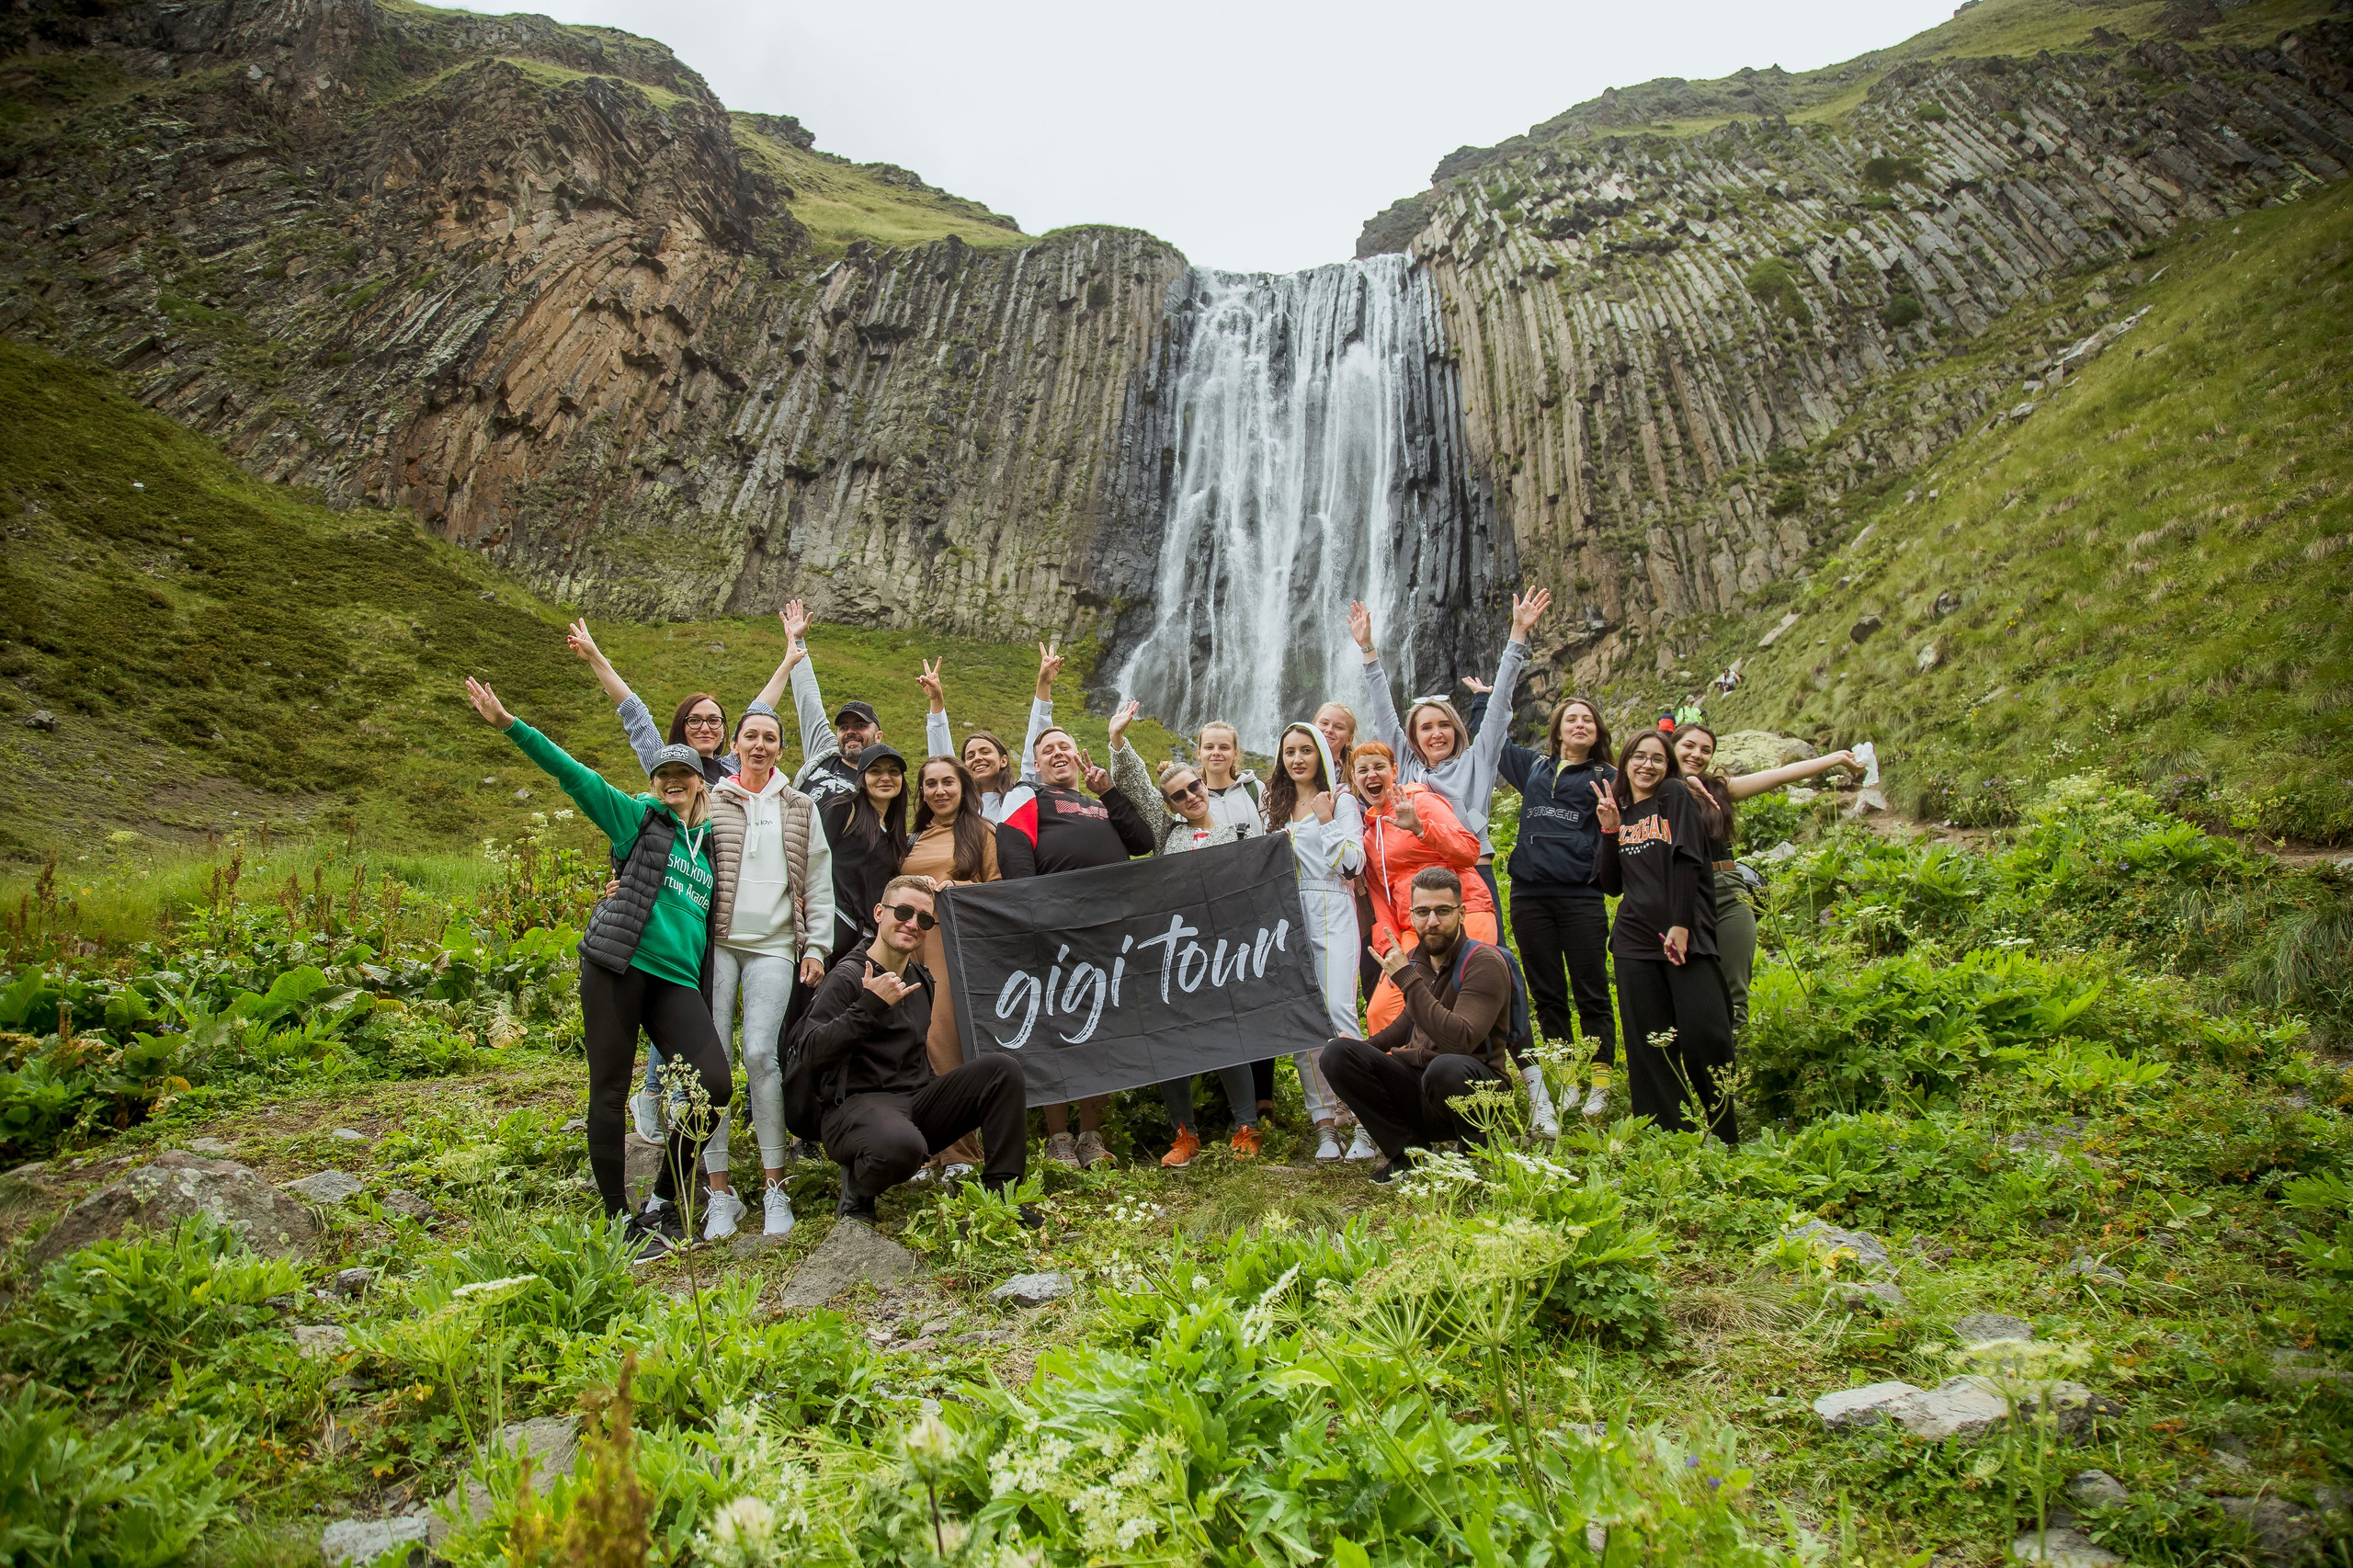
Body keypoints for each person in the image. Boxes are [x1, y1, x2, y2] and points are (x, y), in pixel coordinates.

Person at [461, 676, 731, 1258]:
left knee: (714, 1083)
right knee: (608, 1091)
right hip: (619, 964)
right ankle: (618, 1220)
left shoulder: (707, 844)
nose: (674, 784)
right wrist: (511, 725)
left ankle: (667, 1195)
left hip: (675, 980)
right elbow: (575, 775)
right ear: (655, 784)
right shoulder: (636, 819)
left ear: (700, 783)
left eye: (684, 777)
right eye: (664, 777)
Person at [794, 878, 1032, 1223]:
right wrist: (869, 1005)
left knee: (1002, 1071)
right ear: (879, 913)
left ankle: (1003, 1197)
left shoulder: (921, 980)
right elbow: (810, 1053)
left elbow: (912, 1054)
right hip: (853, 1108)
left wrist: (947, 1100)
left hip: (912, 1101)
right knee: (901, 1146)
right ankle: (858, 1193)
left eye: (923, 919)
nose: (912, 924)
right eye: (903, 912)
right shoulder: (846, 976)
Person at [1105, 702, 1262, 1166]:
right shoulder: (1165, 830)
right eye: (1178, 795)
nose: (1191, 796)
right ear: (1169, 803)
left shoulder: (1238, 832)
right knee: (1171, 1038)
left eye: (1194, 786)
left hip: (1223, 951)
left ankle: (1246, 1126)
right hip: (1172, 951)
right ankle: (1184, 1134)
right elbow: (1134, 783)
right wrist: (1118, 741)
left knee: (1227, 1034)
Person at [699, 701, 833, 1240]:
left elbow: (820, 881)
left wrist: (817, 947)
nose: (759, 745)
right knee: (712, 1060)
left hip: (777, 943)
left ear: (782, 749)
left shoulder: (801, 807)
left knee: (760, 1052)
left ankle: (775, 1186)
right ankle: (719, 1191)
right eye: (750, 736)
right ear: (734, 745)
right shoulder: (710, 801)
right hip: (717, 944)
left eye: (770, 738)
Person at [995, 726, 1156, 1166]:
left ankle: (1091, 1135)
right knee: (1055, 1031)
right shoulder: (1029, 796)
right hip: (1054, 933)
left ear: (1077, 754)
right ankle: (1058, 1137)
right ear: (1038, 764)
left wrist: (1109, 792)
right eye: (1047, 750)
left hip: (1106, 934)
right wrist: (1033, 917)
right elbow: (1013, 855)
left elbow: (1142, 843)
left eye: (1064, 745)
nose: (1058, 753)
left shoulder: (1100, 800)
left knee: (1097, 1031)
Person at [1465, 686, 1619, 1120]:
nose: (1579, 725)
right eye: (1571, 719)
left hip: (1581, 895)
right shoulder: (1533, 767)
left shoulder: (1608, 776)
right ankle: (1568, 1077)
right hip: (1530, 895)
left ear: (1597, 731)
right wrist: (1483, 700)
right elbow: (1490, 739)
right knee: (1549, 992)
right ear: (1557, 730)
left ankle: (1601, 1079)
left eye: (1587, 719)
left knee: (1590, 989)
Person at [1347, 590, 1542, 919]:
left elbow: (1499, 705)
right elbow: (1383, 709)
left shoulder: (1477, 760)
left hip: (1473, 870)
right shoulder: (1404, 767)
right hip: (1420, 879)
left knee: (1487, 959)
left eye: (1444, 725)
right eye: (1426, 728)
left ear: (1457, 730)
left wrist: (1518, 634)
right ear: (1414, 737)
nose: (1436, 733)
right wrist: (1367, 649)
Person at [1320, 868, 1515, 1184]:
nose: (1432, 921)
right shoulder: (1418, 961)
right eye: (1423, 912)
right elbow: (1404, 1027)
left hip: (1477, 1096)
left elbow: (1460, 1040)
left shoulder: (1484, 962)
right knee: (1337, 1054)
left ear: (1462, 913)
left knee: (1445, 1067)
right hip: (1424, 1089)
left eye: (1443, 911)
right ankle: (1409, 1156)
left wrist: (1407, 981)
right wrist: (1358, 1051)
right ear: (1411, 914)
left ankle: (1472, 1157)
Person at [1595, 729, 1738, 1143]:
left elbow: (1689, 857)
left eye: (1657, 758)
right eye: (1638, 757)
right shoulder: (1618, 811)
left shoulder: (1673, 795)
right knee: (1647, 1045)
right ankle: (1668, 1137)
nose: (1647, 765)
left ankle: (1724, 1131)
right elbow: (1610, 884)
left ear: (1668, 765)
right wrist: (1609, 831)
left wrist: (1680, 923)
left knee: (1706, 1032)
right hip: (1634, 942)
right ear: (1625, 763)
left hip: (1685, 936)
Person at [1671, 723, 1858, 1029]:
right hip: (1682, 897)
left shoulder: (1719, 790)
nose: (1697, 754)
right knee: (1688, 991)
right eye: (1689, 746)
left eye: (1706, 750)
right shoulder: (1651, 793)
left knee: (1735, 995)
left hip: (1728, 891)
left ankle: (1734, 1071)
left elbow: (1780, 776)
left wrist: (1835, 758)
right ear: (1672, 746)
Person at [1264, 720, 1371, 1162]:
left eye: (1305, 750)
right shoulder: (1274, 803)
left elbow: (1352, 863)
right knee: (1301, 1020)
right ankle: (1325, 1122)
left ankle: (1365, 1117)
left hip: (1331, 906)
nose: (1297, 759)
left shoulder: (1342, 800)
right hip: (1287, 916)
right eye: (1289, 752)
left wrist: (1326, 821)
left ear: (1321, 755)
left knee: (1339, 1012)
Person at [899, 754, 1001, 1180]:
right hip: (908, 943)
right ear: (921, 792)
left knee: (943, 1040)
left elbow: (997, 889)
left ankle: (961, 1153)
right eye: (930, 784)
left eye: (948, 783)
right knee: (912, 1044)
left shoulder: (980, 832)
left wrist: (955, 887)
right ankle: (927, 1152)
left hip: (948, 939)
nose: (939, 791)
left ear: (963, 788)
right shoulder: (913, 838)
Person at [1350, 742, 1493, 1039]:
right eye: (1362, 770)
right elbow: (1380, 900)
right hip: (1414, 927)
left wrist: (1420, 828)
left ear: (1394, 771)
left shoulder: (1422, 803)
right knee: (1381, 1011)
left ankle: (1483, 1075)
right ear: (1354, 779)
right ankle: (1396, 1079)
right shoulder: (1368, 835)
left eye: (1378, 767)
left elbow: (1469, 850)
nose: (1371, 775)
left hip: (1462, 911)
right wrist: (1390, 946)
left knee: (1459, 1000)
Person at [563, 619, 800, 785]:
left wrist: (788, 663)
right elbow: (635, 714)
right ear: (681, 726)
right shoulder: (666, 763)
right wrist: (595, 658)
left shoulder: (735, 765)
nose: (705, 728)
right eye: (695, 720)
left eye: (714, 721)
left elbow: (757, 713)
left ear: (725, 732)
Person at [777, 598, 897, 812]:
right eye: (844, 727)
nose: (851, 732)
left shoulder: (883, 782)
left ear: (878, 737)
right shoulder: (824, 749)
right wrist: (797, 641)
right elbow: (808, 701)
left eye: (860, 726)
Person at [925, 641, 1061, 822]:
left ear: (1003, 760)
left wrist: (1043, 684)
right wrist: (936, 702)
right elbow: (942, 765)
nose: (978, 758)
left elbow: (1035, 753)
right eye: (970, 756)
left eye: (985, 751)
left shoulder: (1021, 795)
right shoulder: (961, 803)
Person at [820, 744, 911, 960]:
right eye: (876, 771)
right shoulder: (843, 808)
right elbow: (813, 858)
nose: (885, 777)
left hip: (864, 943)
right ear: (862, 777)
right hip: (829, 930)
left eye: (893, 771)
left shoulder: (894, 831)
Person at [1192, 721, 1263, 834]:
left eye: (1224, 747)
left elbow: (1272, 834)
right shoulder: (1191, 799)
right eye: (1209, 747)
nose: (1216, 752)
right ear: (1199, 753)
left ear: (1235, 753)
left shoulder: (1256, 789)